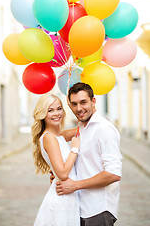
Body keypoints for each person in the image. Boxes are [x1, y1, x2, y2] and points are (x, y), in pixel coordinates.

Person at [56, 82, 122, 226]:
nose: (79, 108)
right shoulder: (82, 127)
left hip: (99, 209)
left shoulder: (104, 129)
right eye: (74, 104)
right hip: (80, 207)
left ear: (93, 101)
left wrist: (75, 185)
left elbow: (113, 174)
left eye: (83, 102)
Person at [31, 93, 80, 226]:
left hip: (68, 197)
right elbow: (62, 174)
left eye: (59, 109)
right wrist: (74, 149)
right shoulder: (49, 138)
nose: (56, 113)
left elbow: (81, 129)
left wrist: (75, 107)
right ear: (42, 114)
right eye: (50, 110)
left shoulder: (58, 136)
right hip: (61, 201)